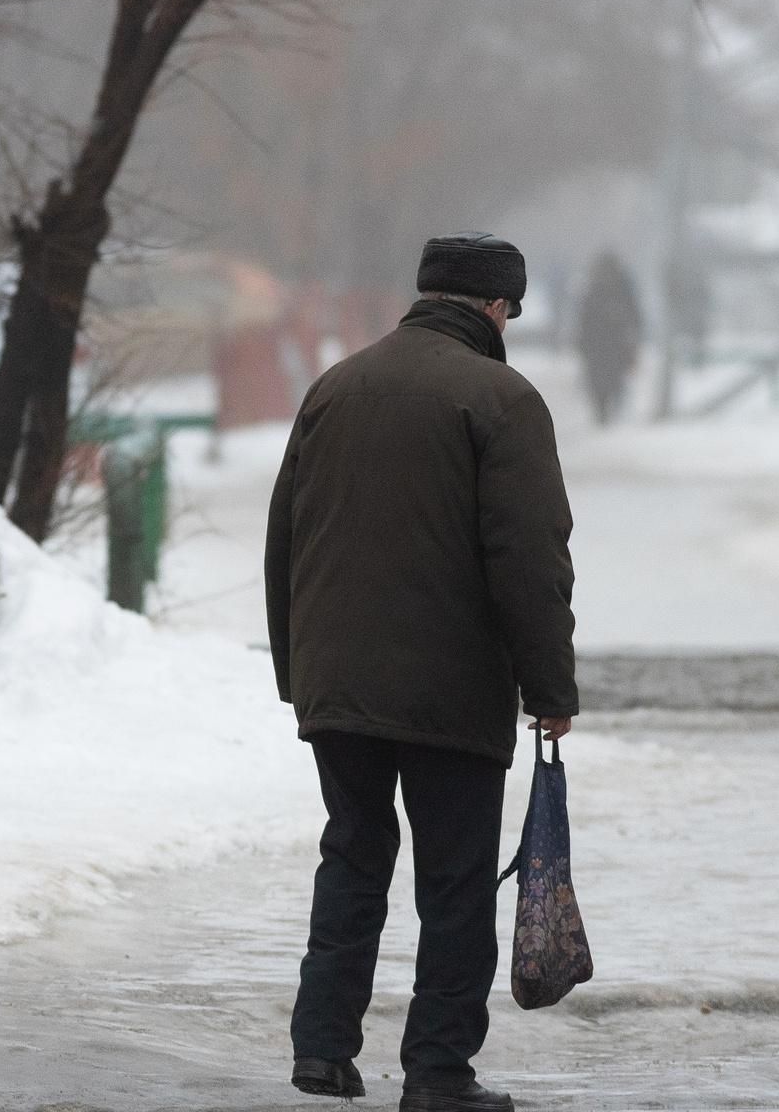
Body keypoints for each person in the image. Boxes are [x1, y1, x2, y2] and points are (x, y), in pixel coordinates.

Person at [266, 231, 579, 1112]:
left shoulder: (335, 386)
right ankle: (438, 1073)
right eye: (508, 309)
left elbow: (284, 535)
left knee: (353, 862)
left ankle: (322, 1052)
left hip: (340, 691)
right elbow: (529, 558)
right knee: (452, 885)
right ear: (492, 305)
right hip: (451, 692)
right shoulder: (502, 398)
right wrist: (550, 689)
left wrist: (301, 674)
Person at [574, 251, 643, 425]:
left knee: (608, 377)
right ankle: (604, 410)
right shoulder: (597, 287)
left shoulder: (612, 287)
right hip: (602, 342)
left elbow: (634, 314)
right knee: (603, 378)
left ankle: (607, 409)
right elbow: (585, 317)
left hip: (608, 342)